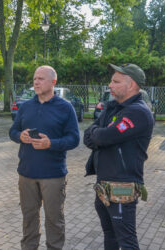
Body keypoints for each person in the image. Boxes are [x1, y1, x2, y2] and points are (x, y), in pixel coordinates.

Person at [84, 63, 154, 250]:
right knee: (110, 236)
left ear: (131, 85)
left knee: (127, 241)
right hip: (103, 185)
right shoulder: (113, 107)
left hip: (122, 187)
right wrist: (98, 134)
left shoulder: (138, 112)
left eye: (115, 81)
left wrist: (98, 133)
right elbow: (89, 137)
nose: (110, 85)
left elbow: (103, 137)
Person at [9, 65, 80, 250]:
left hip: (53, 175)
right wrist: (20, 136)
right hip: (26, 174)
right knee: (29, 218)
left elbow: (74, 139)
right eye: (34, 78)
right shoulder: (26, 106)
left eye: (41, 78)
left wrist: (51, 144)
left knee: (54, 220)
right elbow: (13, 131)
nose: (36, 82)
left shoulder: (65, 108)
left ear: (53, 82)